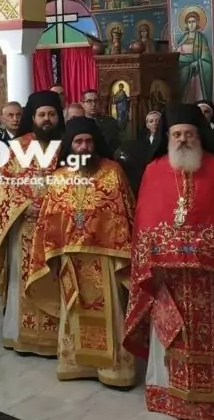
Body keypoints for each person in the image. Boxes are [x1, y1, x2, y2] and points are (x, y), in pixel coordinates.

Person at [124, 104, 214, 420]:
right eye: (176, 134)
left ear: (199, 136)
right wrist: (159, 254)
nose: (183, 139)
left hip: (212, 277)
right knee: (170, 335)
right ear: (167, 137)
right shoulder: (154, 170)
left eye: (188, 134)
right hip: (167, 277)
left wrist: (206, 249)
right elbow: (145, 224)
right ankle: (167, 393)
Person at [26, 117, 136, 387]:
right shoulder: (59, 177)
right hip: (71, 257)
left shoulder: (113, 171)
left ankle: (113, 368)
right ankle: (76, 362)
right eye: (78, 142)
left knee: (111, 312)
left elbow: (127, 213)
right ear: (70, 145)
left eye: (88, 141)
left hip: (106, 257)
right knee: (74, 309)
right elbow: (49, 219)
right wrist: (52, 252)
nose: (84, 147)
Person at [0, 90, 64, 356]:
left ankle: (57, 339)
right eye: (42, 114)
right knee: (22, 278)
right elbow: (5, 187)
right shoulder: (18, 146)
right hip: (25, 227)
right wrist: (25, 206)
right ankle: (22, 336)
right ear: (33, 117)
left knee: (56, 278)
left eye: (51, 114)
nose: (46, 119)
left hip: (59, 229)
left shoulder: (67, 145)